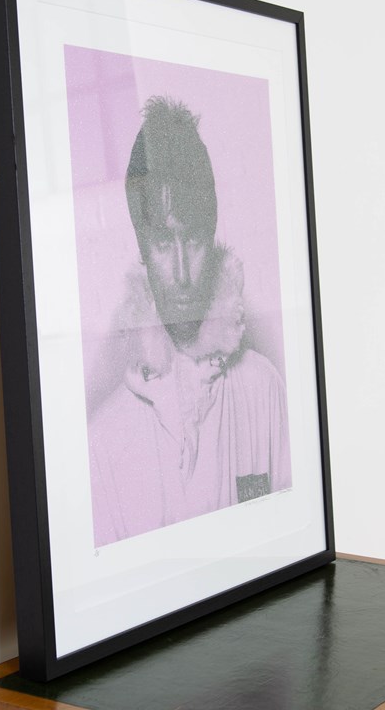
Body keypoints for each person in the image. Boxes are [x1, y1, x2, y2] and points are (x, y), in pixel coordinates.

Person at [88, 97, 291, 546]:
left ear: (213, 236)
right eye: (163, 242)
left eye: (194, 239)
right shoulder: (105, 441)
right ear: (142, 247)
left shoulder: (262, 389)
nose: (181, 273)